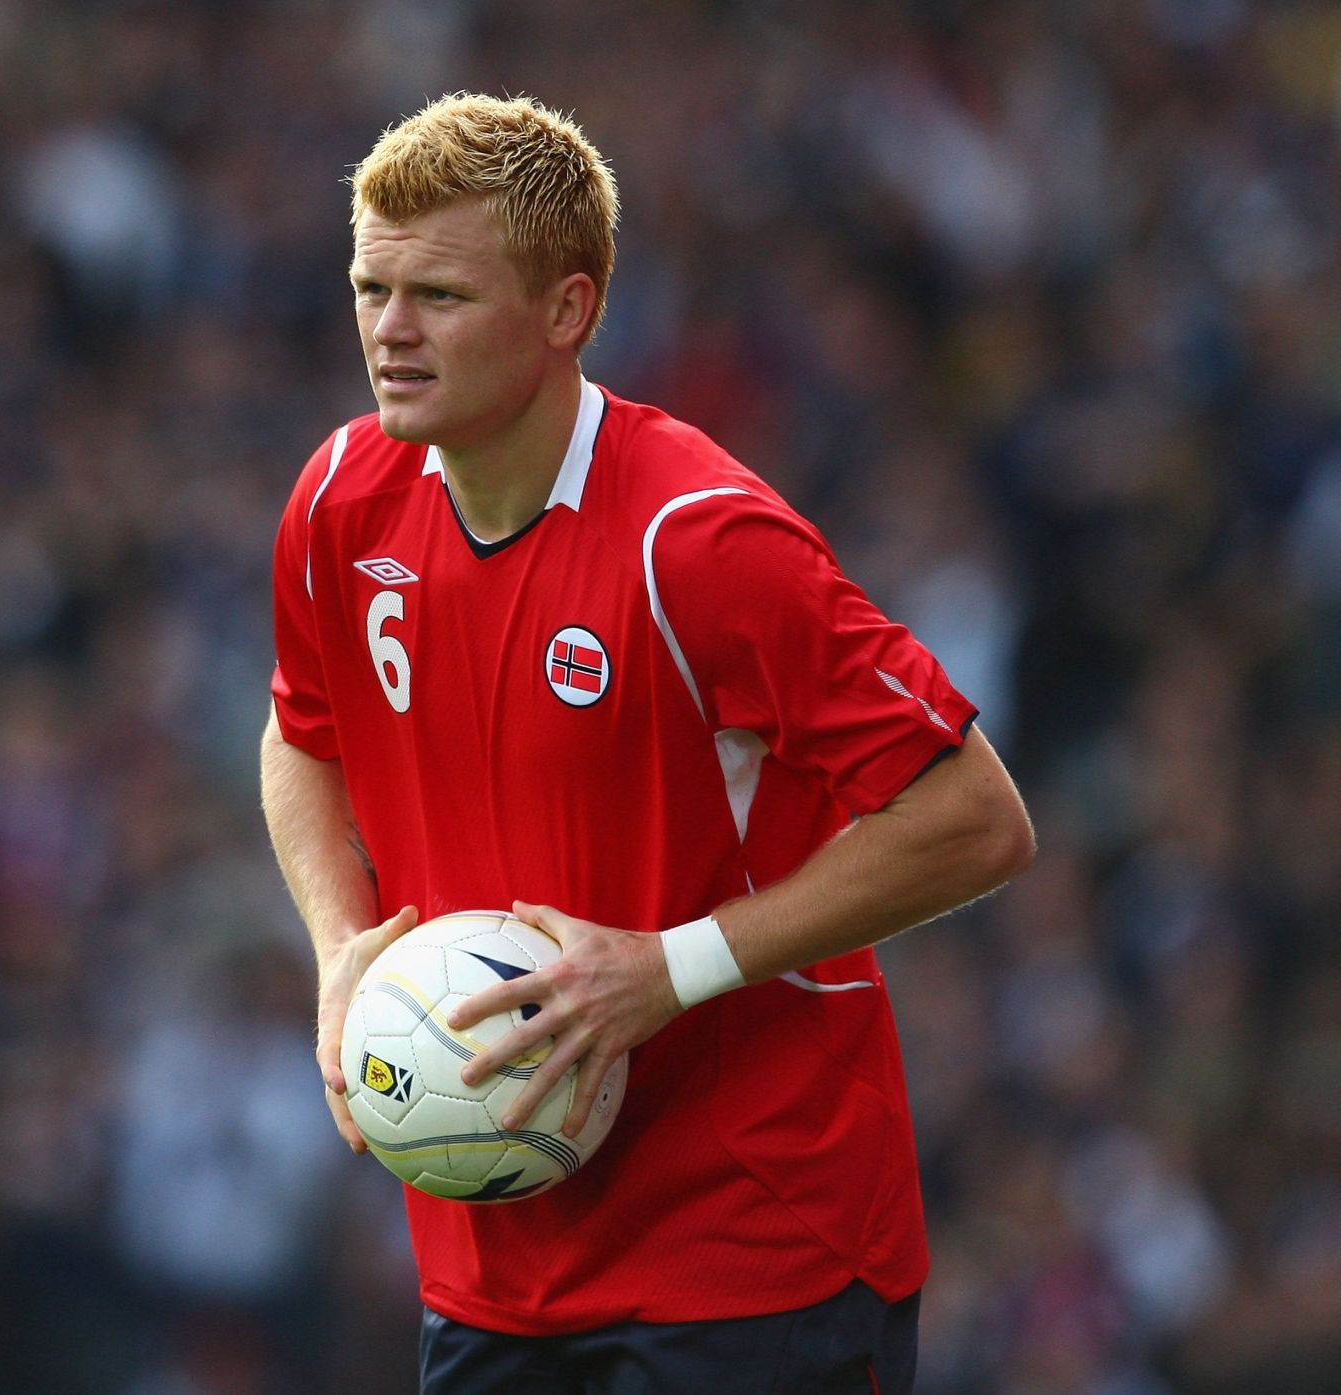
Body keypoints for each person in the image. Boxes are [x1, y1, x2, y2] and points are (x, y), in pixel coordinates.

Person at [259, 93, 1034, 1395]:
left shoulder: (701, 540)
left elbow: (976, 817)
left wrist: (669, 972)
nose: (389, 332)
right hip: (493, 1234)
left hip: (753, 1239)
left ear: (569, 311)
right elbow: (300, 733)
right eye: (369, 286)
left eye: (439, 296)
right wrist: (342, 951)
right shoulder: (343, 498)